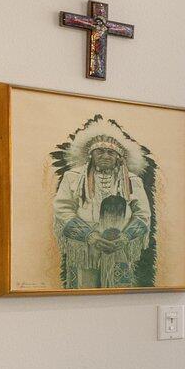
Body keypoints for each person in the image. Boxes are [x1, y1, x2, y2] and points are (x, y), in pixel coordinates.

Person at [52, 120, 152, 289]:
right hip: (85, 249)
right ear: (91, 154)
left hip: (119, 247)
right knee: (82, 295)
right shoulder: (73, 177)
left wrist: (125, 237)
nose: (105, 156)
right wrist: (90, 236)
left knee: (118, 295)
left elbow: (143, 215)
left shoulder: (132, 181)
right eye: (100, 151)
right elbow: (62, 209)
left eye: (110, 152)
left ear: (119, 157)